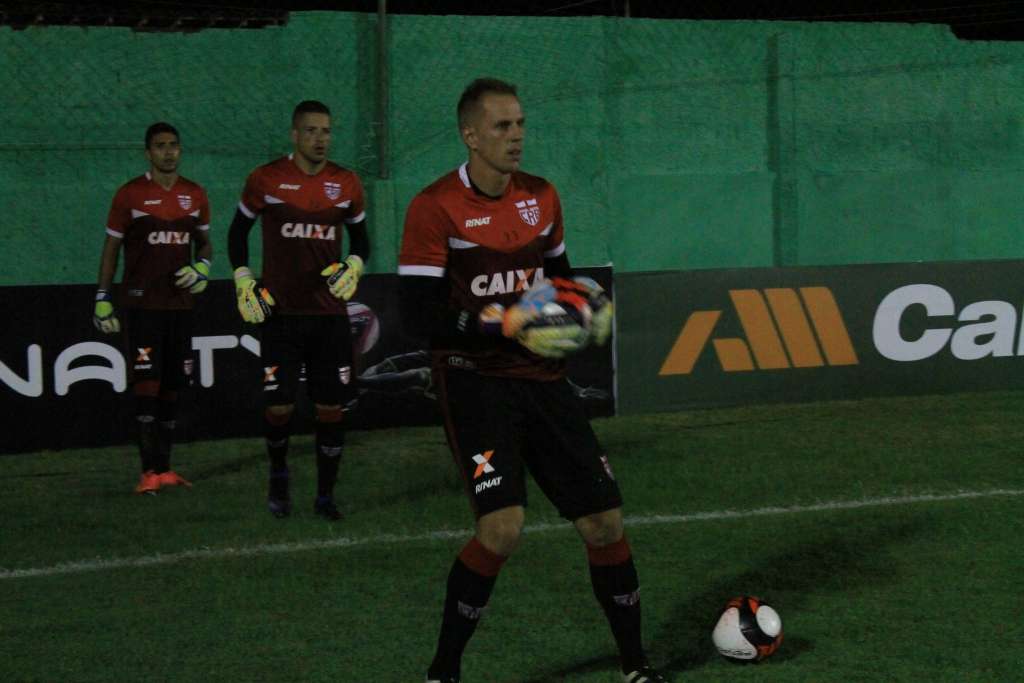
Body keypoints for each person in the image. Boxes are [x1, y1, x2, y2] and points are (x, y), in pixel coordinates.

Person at [399, 78, 666, 683]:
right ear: (471, 135)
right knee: (501, 529)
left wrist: (578, 309)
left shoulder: (542, 197)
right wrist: (504, 324)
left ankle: (635, 664)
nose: (515, 136)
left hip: (544, 380)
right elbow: (417, 316)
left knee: (605, 524)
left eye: (519, 124)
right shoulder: (433, 206)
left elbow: (560, 280)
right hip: (474, 380)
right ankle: (443, 670)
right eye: (501, 126)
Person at [227, 100, 370, 521]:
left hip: (329, 317)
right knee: (280, 407)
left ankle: (326, 495)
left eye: (325, 131)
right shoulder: (266, 179)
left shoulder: (346, 183)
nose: (320, 139)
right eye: (311, 131)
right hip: (281, 315)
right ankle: (279, 475)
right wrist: (241, 277)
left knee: (330, 408)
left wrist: (356, 263)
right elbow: (238, 231)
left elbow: (361, 241)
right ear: (294, 134)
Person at [93, 122, 212, 495]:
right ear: (148, 153)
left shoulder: (194, 194)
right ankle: (147, 473)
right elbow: (111, 249)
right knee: (147, 384)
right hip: (143, 303)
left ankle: (166, 469)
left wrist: (203, 266)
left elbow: (205, 245)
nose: (168, 152)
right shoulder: (130, 195)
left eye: (173, 145)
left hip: (179, 305)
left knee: (173, 386)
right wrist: (102, 297)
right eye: (160, 146)